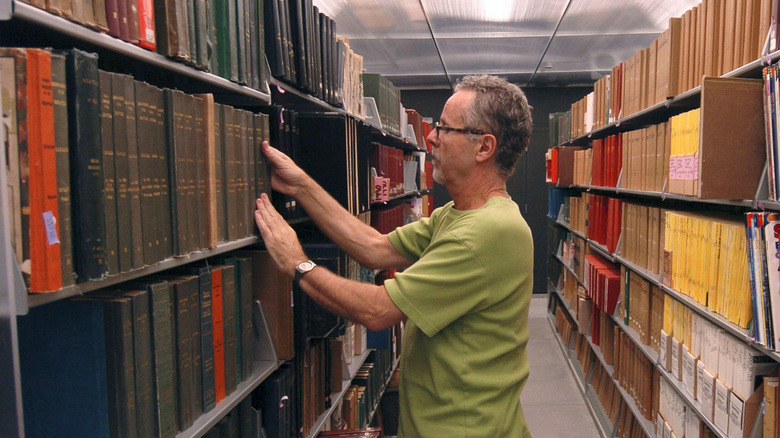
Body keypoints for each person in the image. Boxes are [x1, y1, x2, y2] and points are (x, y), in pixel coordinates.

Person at [254, 74, 534, 437]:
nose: (431, 137)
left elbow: (377, 310)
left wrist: (296, 262)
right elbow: (373, 248)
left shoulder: (487, 232)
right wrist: (301, 186)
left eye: (445, 129)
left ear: (484, 147)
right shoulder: (458, 215)